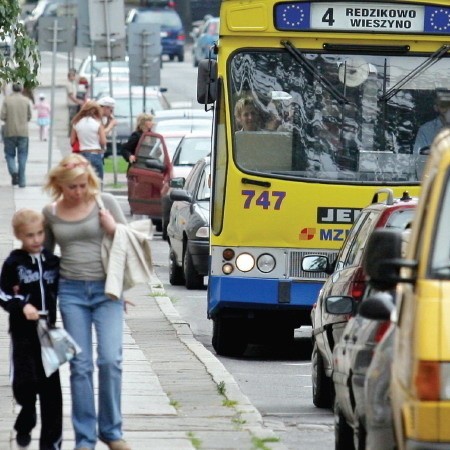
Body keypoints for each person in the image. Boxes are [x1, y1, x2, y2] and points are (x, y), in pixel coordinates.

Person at [42, 154, 130, 450]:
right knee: (79, 365)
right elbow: (45, 258)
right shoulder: (51, 213)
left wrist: (113, 228)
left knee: (110, 359)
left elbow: (130, 242)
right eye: (72, 187)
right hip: (71, 294)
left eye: (82, 185)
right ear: (60, 186)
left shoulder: (105, 202)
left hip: (107, 293)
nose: (78, 192)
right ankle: (85, 439)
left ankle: (111, 431)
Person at [0, 209, 61, 450]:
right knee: (24, 383)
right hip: (23, 333)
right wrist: (22, 305)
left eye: (39, 234)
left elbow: (67, 286)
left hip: (48, 332)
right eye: (29, 236)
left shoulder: (52, 262)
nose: (36, 240)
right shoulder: (14, 263)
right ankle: (26, 415)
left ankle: (51, 443)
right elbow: (2, 293)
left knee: (51, 391)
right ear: (18, 236)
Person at [0, 82, 32, 187]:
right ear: (22, 89)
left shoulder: (7, 100)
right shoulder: (26, 100)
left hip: (9, 131)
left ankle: (14, 172)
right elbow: (29, 116)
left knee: (9, 155)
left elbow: (2, 116)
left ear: (13, 89)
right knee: (22, 156)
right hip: (23, 132)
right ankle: (22, 181)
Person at [70, 100, 107, 181]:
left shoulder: (76, 123)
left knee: (84, 181)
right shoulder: (98, 124)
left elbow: (72, 142)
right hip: (95, 154)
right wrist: (103, 148)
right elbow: (103, 141)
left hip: (82, 155)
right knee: (97, 183)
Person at [66, 68, 85, 134]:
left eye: (74, 76)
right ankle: (71, 132)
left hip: (75, 104)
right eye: (72, 76)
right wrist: (78, 101)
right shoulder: (69, 84)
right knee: (72, 118)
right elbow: (71, 96)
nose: (74, 77)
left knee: (75, 118)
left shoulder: (73, 83)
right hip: (72, 104)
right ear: (69, 77)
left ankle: (73, 132)